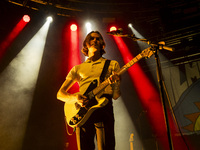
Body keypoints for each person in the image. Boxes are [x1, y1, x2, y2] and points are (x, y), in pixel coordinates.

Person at [57, 31, 121, 150]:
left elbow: (116, 96)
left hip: (104, 107)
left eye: (98, 39)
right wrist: (75, 98)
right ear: (86, 44)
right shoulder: (78, 68)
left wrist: (116, 83)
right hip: (82, 109)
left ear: (102, 44)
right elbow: (60, 94)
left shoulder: (112, 64)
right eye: (92, 39)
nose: (95, 40)